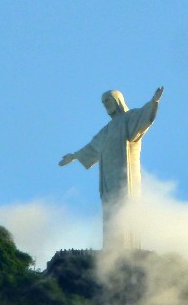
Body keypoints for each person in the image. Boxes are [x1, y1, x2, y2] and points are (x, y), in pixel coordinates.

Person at [59, 87, 164, 248]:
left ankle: (130, 247)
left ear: (117, 100)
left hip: (126, 174)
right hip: (108, 178)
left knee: (125, 203)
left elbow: (145, 119)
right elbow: (92, 148)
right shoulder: (106, 130)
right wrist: (74, 156)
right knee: (110, 208)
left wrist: (154, 102)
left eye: (108, 100)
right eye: (103, 102)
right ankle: (112, 249)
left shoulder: (129, 118)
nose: (105, 104)